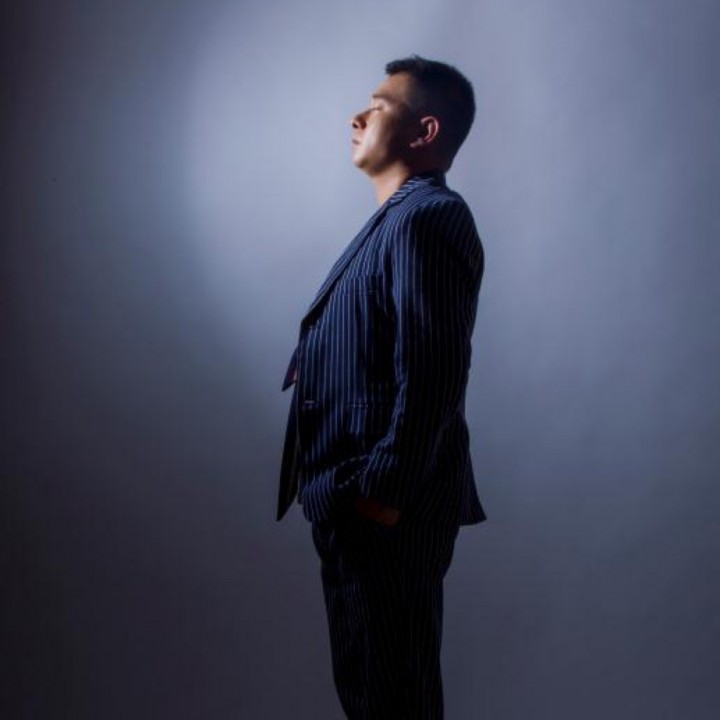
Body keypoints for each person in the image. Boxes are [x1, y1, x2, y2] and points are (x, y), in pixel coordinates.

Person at [277, 55, 486, 719]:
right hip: (351, 500)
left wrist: (382, 495)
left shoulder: (428, 218)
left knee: (393, 699)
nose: (357, 116)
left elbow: (433, 372)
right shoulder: (396, 220)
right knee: (374, 695)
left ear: (424, 132)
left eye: (379, 105)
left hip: (382, 506)